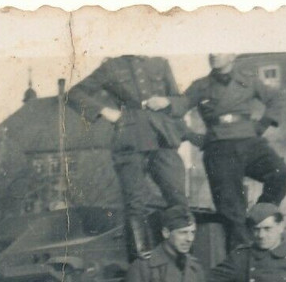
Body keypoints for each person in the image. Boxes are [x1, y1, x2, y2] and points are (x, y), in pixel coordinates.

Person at [66, 55, 193, 258]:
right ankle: (141, 260)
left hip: (163, 137)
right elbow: (74, 94)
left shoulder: (160, 63)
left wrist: (167, 101)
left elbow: (180, 101)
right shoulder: (111, 67)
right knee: (135, 202)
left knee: (178, 198)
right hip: (129, 137)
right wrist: (104, 111)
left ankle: (182, 259)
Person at [184, 54, 286, 249]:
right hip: (218, 146)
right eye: (211, 52)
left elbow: (275, 97)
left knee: (280, 172)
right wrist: (194, 137)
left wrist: (262, 125)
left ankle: (259, 217)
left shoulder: (247, 80)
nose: (214, 55)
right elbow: (176, 110)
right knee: (231, 209)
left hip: (248, 141)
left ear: (232, 55)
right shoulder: (200, 86)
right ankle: (241, 259)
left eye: (220, 50)